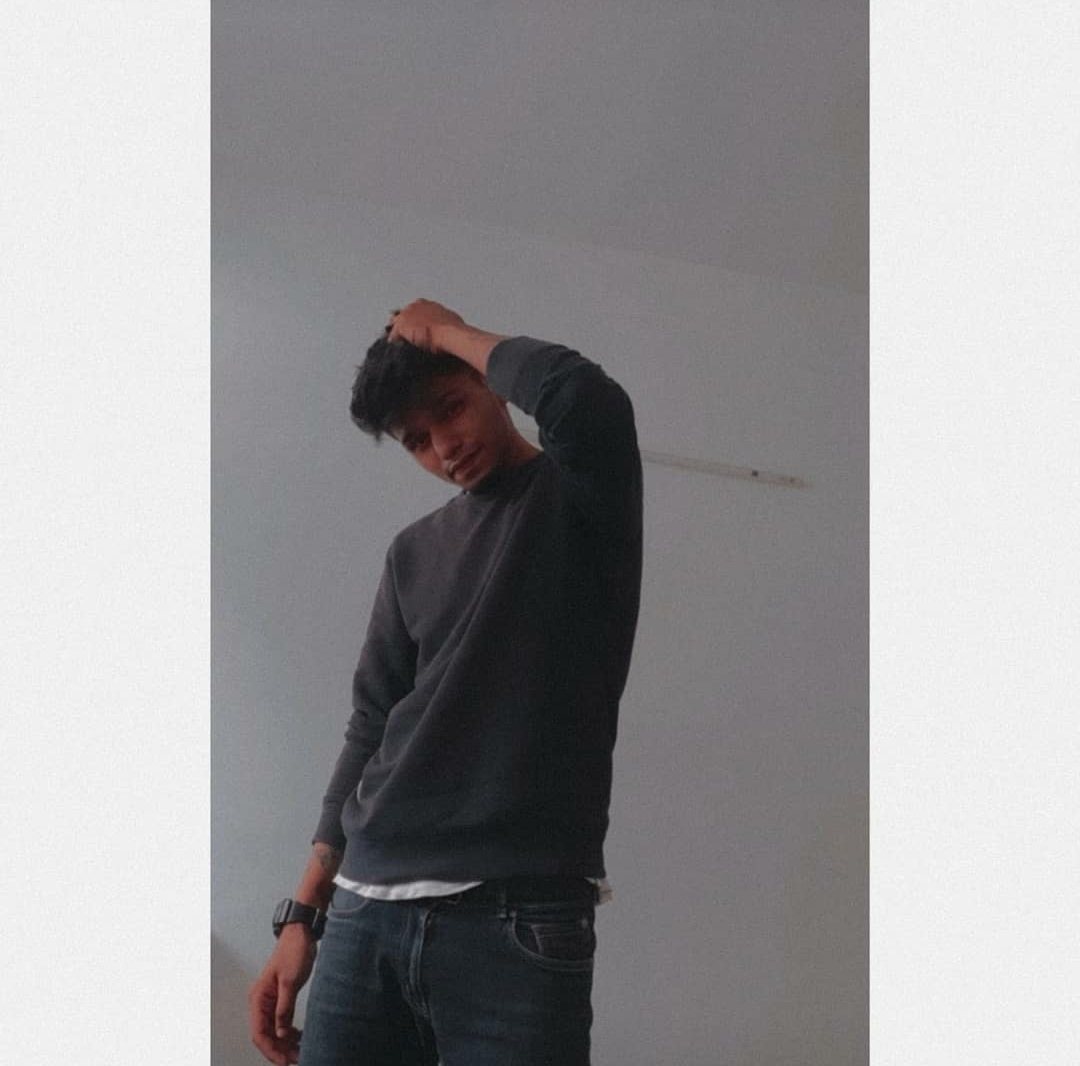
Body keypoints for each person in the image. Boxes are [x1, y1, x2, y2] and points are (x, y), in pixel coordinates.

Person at [248, 299, 643, 1065]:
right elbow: (371, 724)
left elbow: (583, 396)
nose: (444, 447)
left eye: (451, 409)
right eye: (416, 441)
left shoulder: (576, 495)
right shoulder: (412, 552)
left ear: (488, 382)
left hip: (517, 914)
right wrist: (304, 913)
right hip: (365, 909)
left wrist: (443, 333)